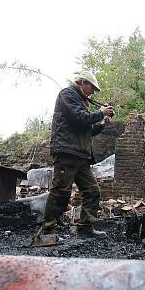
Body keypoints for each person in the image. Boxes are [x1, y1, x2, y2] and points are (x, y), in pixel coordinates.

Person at [31, 71, 114, 247]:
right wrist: (100, 112)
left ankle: (85, 227)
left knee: (92, 191)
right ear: (82, 82)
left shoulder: (79, 100)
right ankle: (47, 232)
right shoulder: (67, 95)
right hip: (67, 152)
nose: (92, 93)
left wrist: (101, 125)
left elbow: (87, 129)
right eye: (92, 88)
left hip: (80, 156)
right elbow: (79, 118)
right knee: (61, 191)